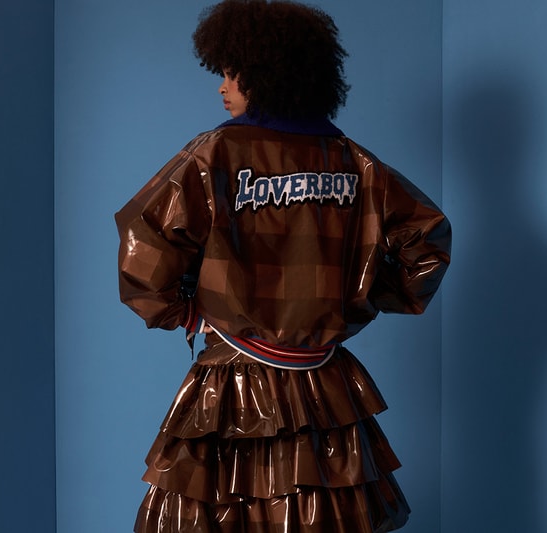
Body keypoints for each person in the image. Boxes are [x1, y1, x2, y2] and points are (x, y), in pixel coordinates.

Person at [115, 1, 451, 531]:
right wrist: (358, 295)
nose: (222, 86)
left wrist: (182, 312)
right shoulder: (356, 162)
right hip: (326, 390)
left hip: (232, 385)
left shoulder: (213, 154)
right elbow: (426, 244)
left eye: (231, 73)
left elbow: (146, 236)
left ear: (265, 74)